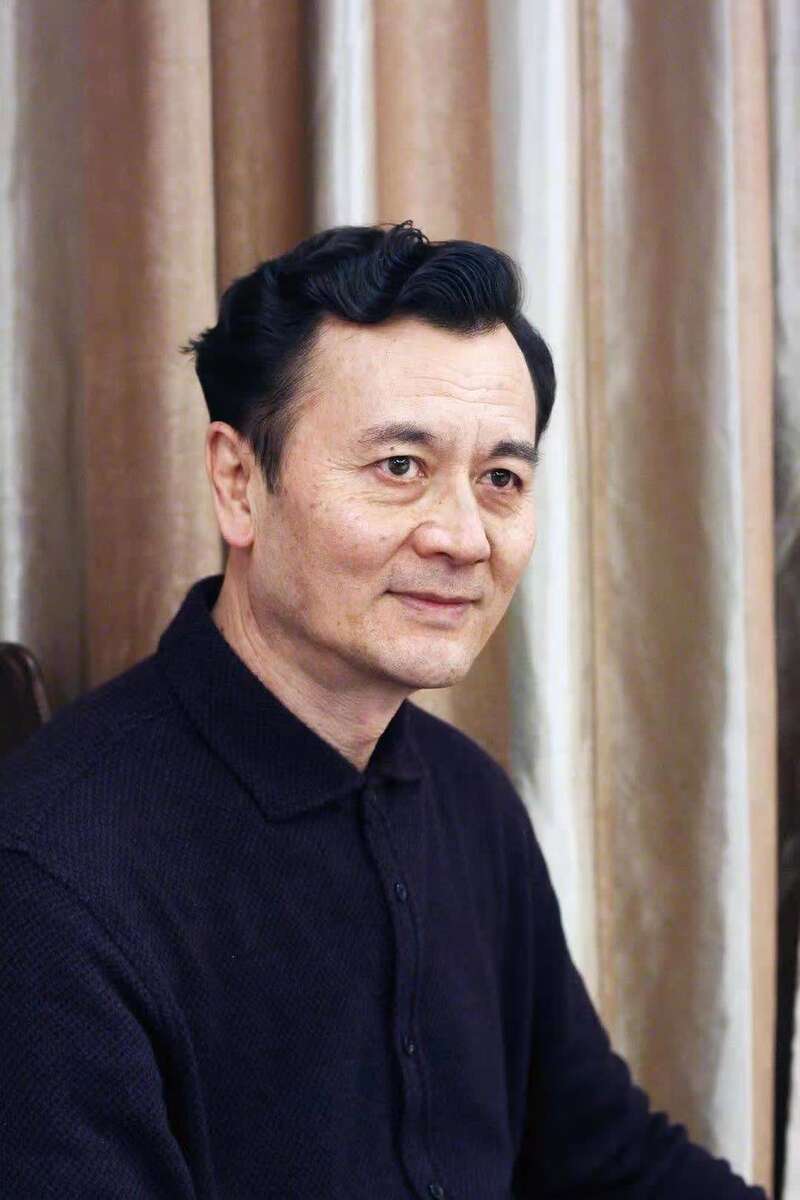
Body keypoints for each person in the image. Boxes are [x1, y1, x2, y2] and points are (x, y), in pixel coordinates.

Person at [0, 221, 768, 1199]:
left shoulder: (467, 797)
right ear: (238, 482)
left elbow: (603, 1161)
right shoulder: (53, 872)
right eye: (399, 466)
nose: (463, 538)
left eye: (500, 479)